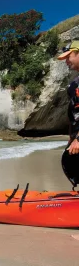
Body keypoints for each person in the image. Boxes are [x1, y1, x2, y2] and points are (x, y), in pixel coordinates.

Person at [57, 40, 79, 187]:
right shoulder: (74, 84)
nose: (66, 61)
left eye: (68, 57)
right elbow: (73, 114)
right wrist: (72, 138)